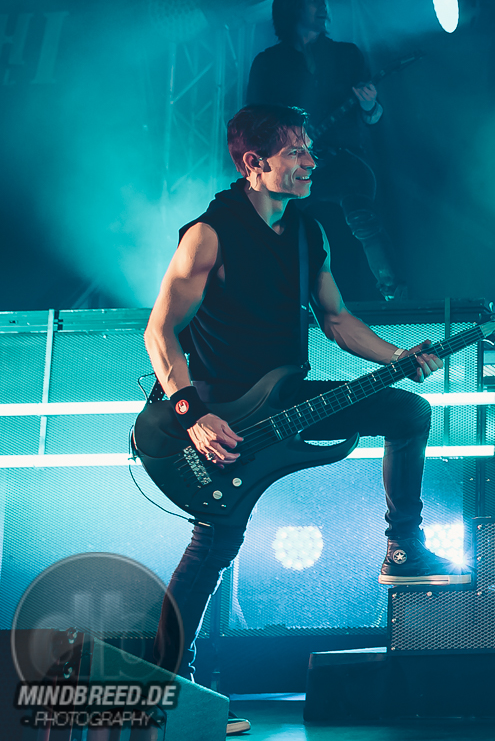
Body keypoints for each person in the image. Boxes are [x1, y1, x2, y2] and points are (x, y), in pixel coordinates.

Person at [144, 104, 467, 734]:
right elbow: (160, 331)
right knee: (212, 550)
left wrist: (399, 357)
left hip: (285, 398)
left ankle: (403, 545)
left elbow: (337, 319)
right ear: (254, 163)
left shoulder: (308, 232)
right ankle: (166, 696)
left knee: (407, 410)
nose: (311, 162)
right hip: (221, 421)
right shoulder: (209, 234)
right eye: (295, 151)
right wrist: (193, 416)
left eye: (309, 149)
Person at [247, 0, 403, 300]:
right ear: (292, 9)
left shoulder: (347, 55)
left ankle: (395, 293)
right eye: (313, 0)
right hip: (292, 166)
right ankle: (274, 300)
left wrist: (369, 105)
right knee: (280, 231)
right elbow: (253, 122)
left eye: (322, 0)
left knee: (363, 217)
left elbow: (372, 119)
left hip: (343, 159)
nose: (322, 6)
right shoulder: (268, 63)